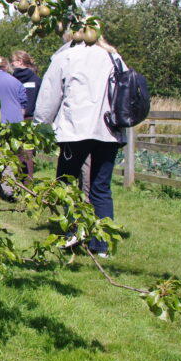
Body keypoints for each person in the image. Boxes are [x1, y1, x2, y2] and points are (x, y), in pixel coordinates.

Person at [33, 33, 125, 258]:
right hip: (109, 130)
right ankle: (101, 245)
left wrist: (39, 127)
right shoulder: (114, 58)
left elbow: (49, 96)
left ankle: (74, 235)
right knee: (101, 187)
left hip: (75, 130)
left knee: (67, 185)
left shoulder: (67, 56)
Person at [0, 56, 27, 200]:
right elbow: (23, 106)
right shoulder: (16, 82)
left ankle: (7, 191)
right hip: (14, 124)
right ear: (7, 67)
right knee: (11, 156)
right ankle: (6, 188)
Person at [11, 50, 42, 185]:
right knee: (28, 153)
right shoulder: (37, 80)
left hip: (15, 120)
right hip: (30, 119)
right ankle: (27, 183)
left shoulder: (11, 80)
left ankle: (19, 183)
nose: (11, 63)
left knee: (16, 152)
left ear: (20, 62)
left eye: (13, 61)